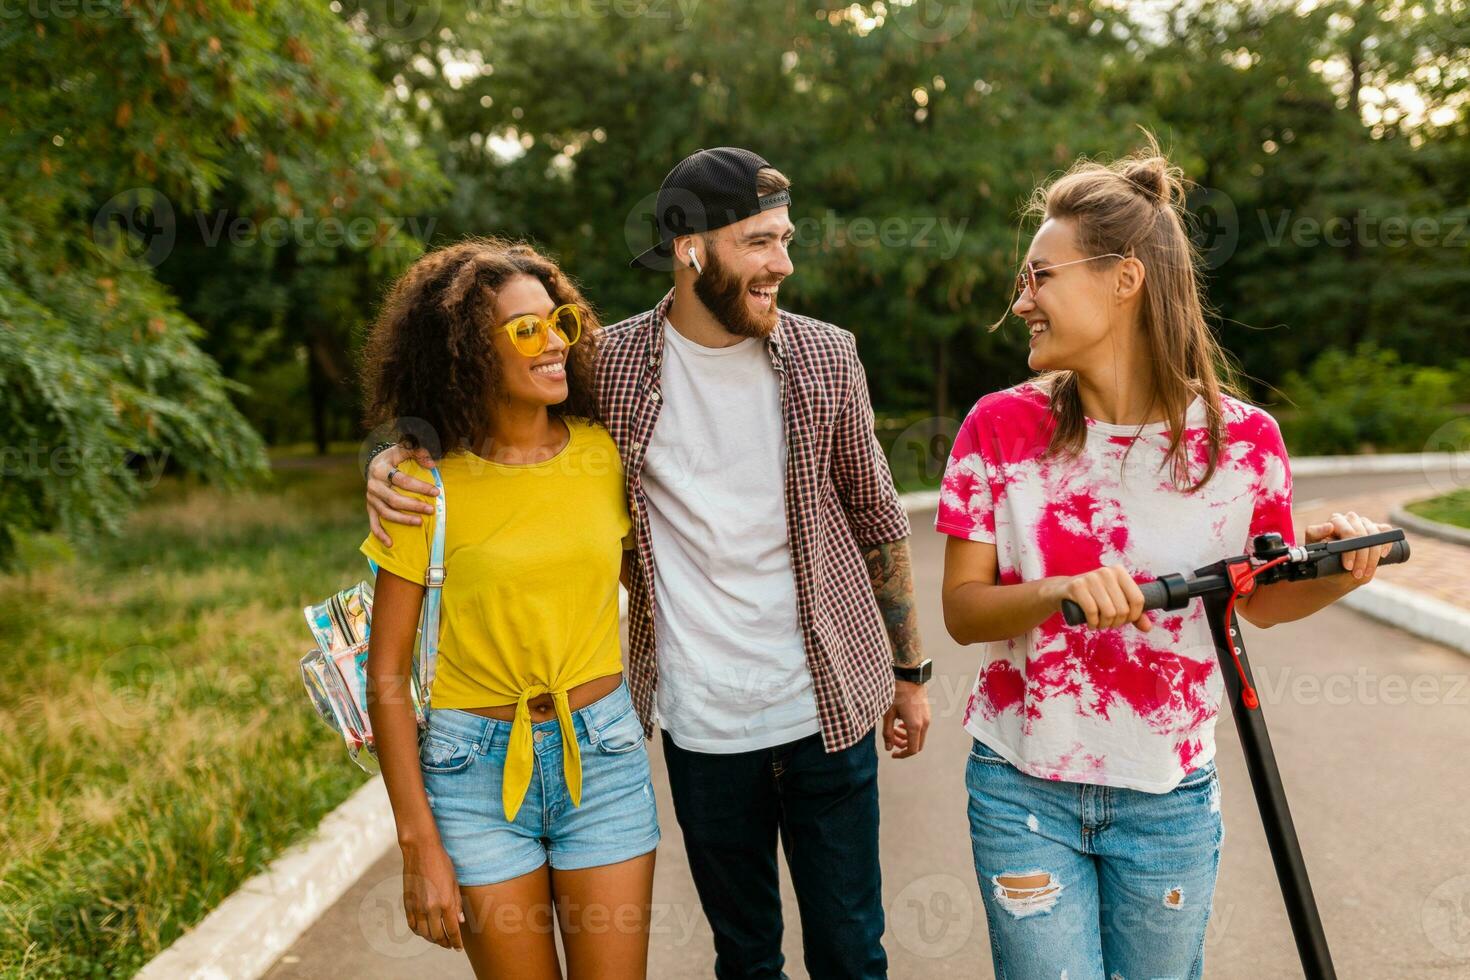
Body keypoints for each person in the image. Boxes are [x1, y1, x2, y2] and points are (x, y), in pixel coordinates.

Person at [366, 147, 931, 979]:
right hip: (701, 726)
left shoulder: (824, 356)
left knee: (853, 953)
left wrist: (909, 669)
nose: (784, 262)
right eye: (760, 242)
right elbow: (487, 415)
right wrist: (391, 454)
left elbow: (879, 516)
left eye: (787, 239)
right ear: (691, 247)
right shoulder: (615, 368)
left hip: (826, 706)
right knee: (745, 958)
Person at [936, 136, 1395, 980]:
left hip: (1169, 797)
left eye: (1040, 275)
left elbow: (1253, 599)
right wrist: (1058, 590)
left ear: (1124, 279)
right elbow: (963, 612)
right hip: (1022, 786)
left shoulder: (1247, 444)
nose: (1021, 299)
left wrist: (1334, 575)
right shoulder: (998, 429)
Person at [359, 238, 659, 979]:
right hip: (472, 774)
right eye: (525, 330)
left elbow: (659, 579)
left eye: (559, 320)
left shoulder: (604, 456)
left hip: (606, 759)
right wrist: (417, 840)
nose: (555, 341)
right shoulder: (422, 485)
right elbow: (387, 674)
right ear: (465, 351)